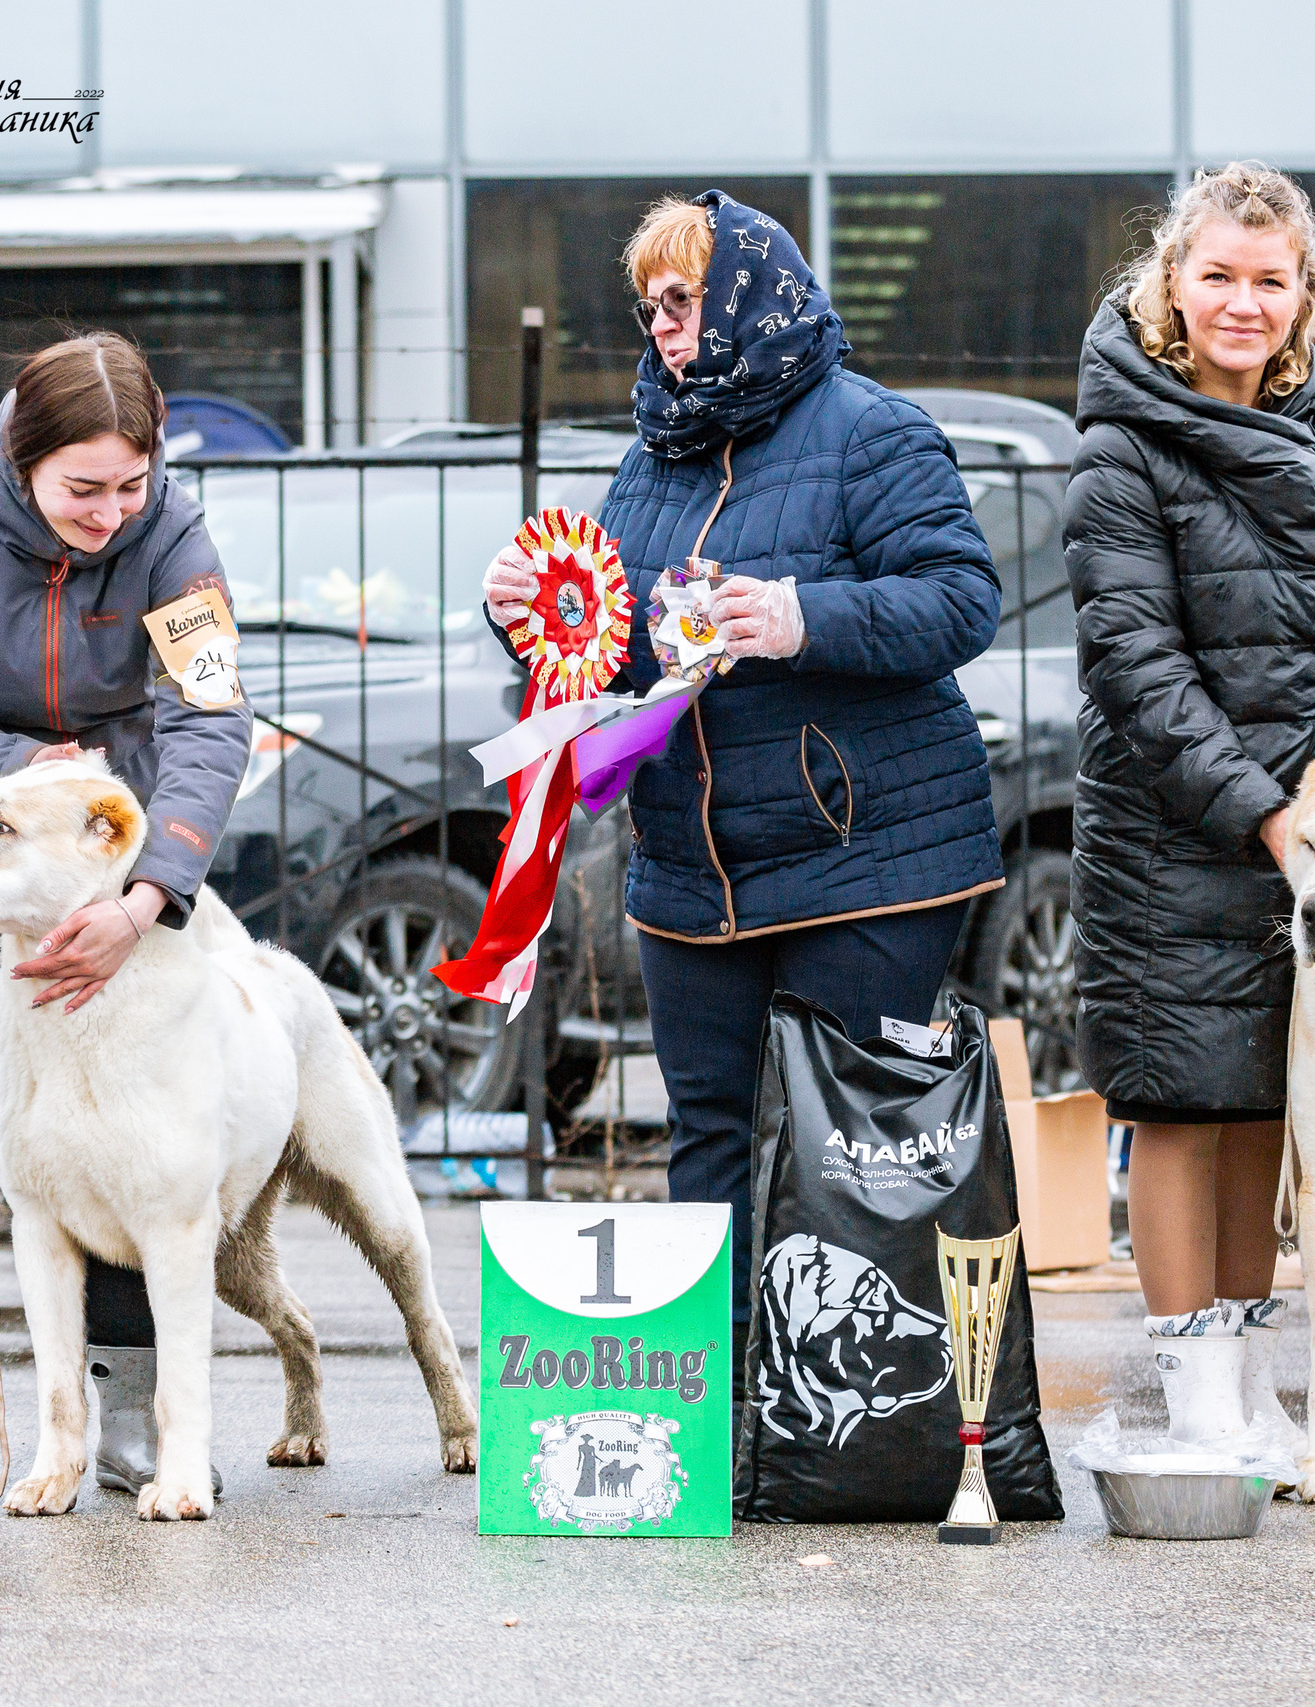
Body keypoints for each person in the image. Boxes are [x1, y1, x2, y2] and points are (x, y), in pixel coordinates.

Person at [482, 194, 1004, 1352]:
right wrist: (525, 615)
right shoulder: (651, 458)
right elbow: (617, 655)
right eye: (650, 307)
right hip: (691, 869)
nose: (663, 327)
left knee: (848, 1142)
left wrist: (800, 617)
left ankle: (847, 1404)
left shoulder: (871, 430)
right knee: (708, 1132)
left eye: (685, 301)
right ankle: (717, 1406)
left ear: (749, 297)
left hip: (865, 859)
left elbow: (962, 601)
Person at [1066, 162, 1315, 1443]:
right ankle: (1196, 1404)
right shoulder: (1120, 447)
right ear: (1172, 284)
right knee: (1180, 1107)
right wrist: (1262, 812)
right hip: (1171, 838)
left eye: (1269, 280)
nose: (1244, 302)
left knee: (1266, 1107)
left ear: (1304, 295)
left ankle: (1248, 1386)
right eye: (1218, 275)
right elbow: (1135, 662)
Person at [0, 332, 253, 1511]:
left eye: (132, 484)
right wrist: (24, 771)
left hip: (99, 852)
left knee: (131, 1113)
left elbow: (211, 715)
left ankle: (127, 1419)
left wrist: (150, 891)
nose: (111, 514)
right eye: (83, 488)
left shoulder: (175, 540)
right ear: (22, 458)